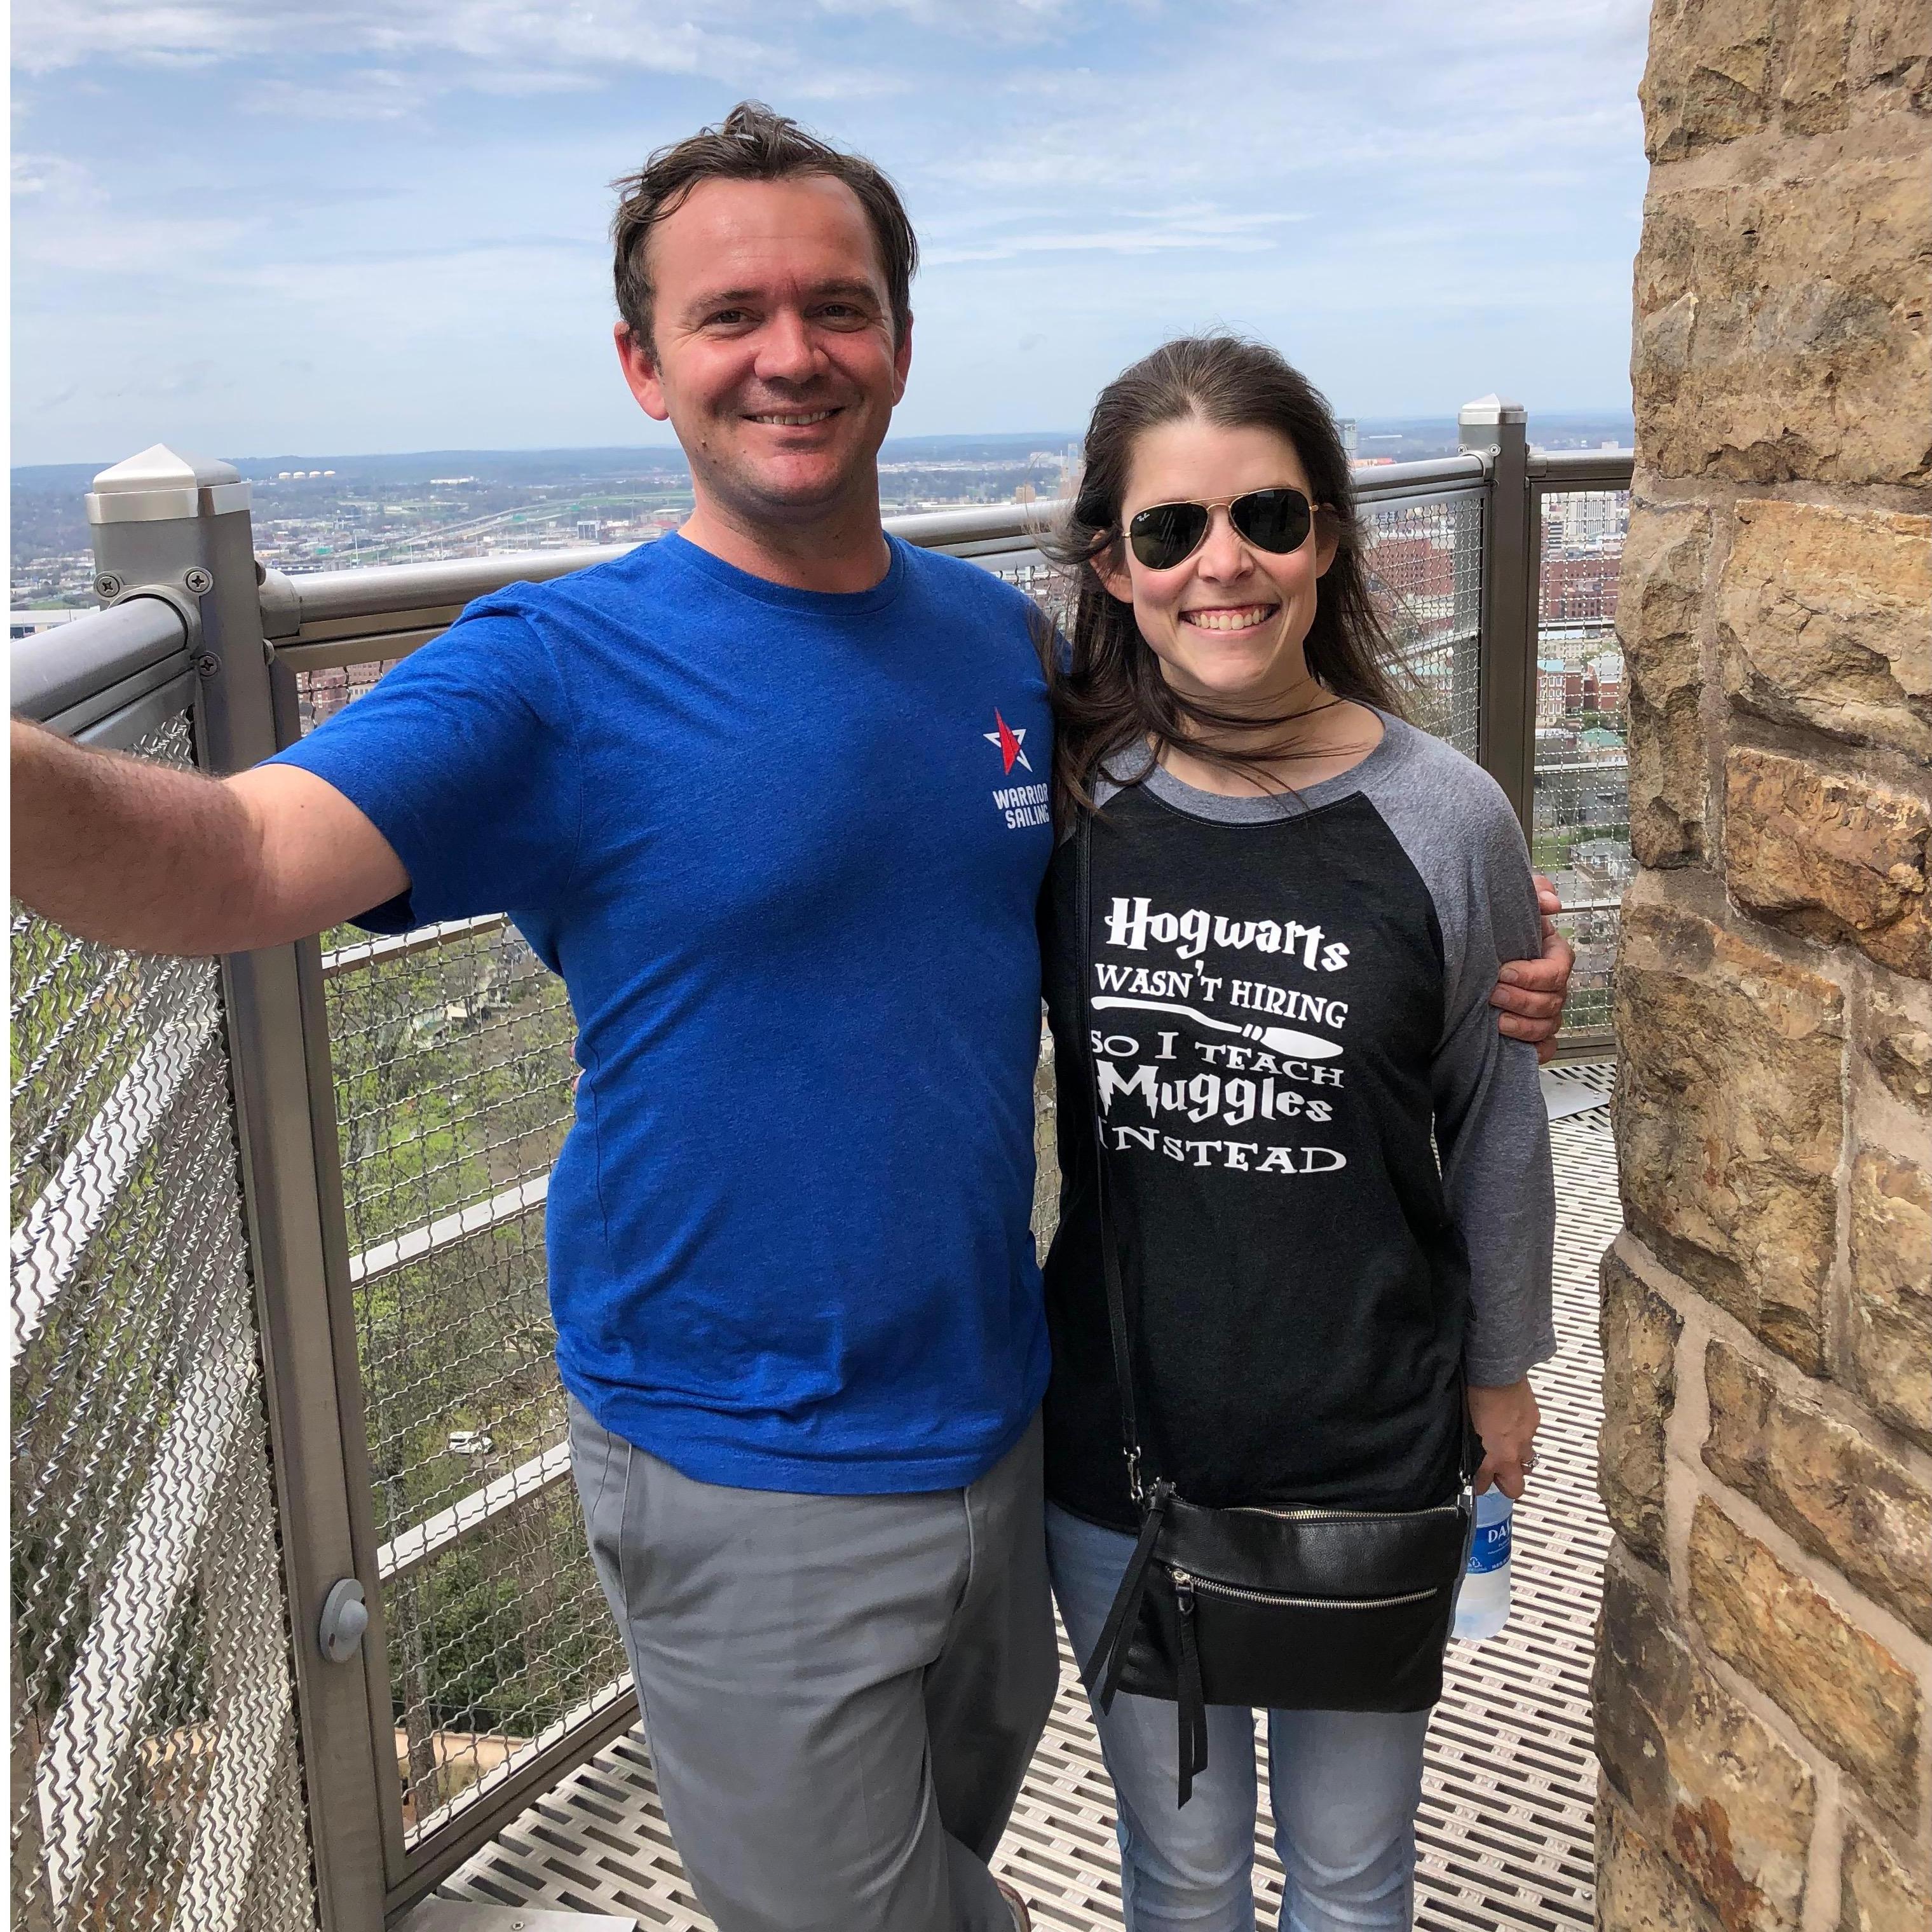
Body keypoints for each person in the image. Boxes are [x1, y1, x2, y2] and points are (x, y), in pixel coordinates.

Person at [8, 107, 1572, 1932]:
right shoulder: (555, 668)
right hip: (739, 1463)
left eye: (836, 305)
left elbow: (1245, 835)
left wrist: (1484, 955)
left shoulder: (1000, 656)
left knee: (963, 1863)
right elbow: (225, 861)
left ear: (898, 342)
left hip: (1008, 1430)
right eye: (730, 313)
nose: (790, 353)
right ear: (641, 362)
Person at [1035, 336, 1555, 1932]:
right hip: (1125, 1439)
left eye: (1263, 515)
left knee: (1350, 1874)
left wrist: (1501, 1371)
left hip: (1366, 1436)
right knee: (1177, 1876)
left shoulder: (1443, 814)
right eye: (1167, 530)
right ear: (1111, 566)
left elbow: (1489, 1113)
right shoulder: (1067, 804)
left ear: (1325, 533)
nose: (1221, 565)